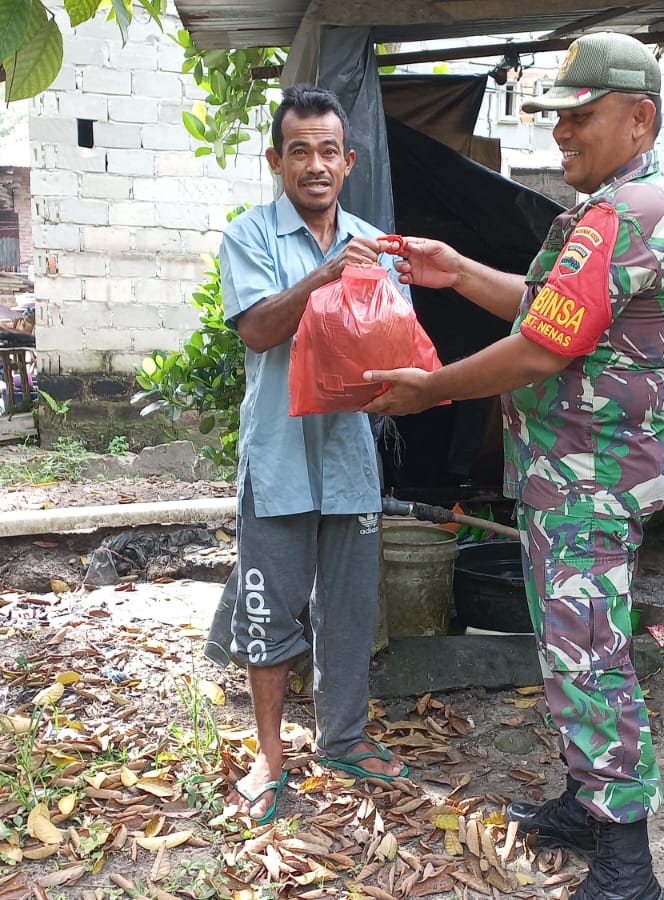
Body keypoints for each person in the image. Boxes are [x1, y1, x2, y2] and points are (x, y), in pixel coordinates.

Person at [362, 32, 664, 900]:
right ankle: (590, 803)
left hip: (593, 478)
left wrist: (430, 389)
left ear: (638, 118)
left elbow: (541, 348)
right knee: (567, 645)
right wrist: (460, 270)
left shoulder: (631, 212)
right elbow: (552, 306)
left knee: (591, 657)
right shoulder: (607, 211)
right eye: (559, 118)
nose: (562, 135)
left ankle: (626, 865)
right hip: (571, 473)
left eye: (581, 117)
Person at [215, 84, 408, 826]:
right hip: (280, 461)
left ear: (349, 160)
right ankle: (270, 758)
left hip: (351, 461)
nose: (316, 164)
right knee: (269, 615)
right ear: (277, 160)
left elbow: (396, 344)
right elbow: (261, 331)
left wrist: (403, 383)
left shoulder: (371, 241)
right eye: (300, 150)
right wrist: (328, 275)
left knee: (351, 612)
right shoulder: (250, 236)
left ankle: (344, 739)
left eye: (329, 150)